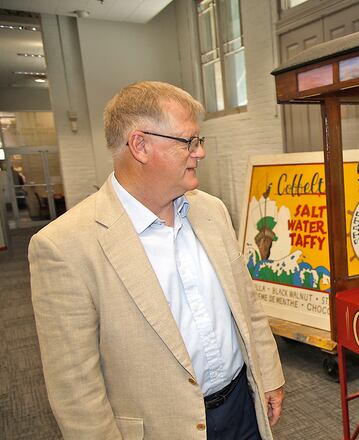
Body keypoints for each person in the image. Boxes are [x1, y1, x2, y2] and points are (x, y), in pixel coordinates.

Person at [29, 81, 285, 439]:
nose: (200, 153)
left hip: (242, 408)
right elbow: (75, 390)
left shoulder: (211, 211)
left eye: (199, 141)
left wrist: (269, 376)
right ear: (140, 145)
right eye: (188, 141)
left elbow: (247, 304)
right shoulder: (64, 246)